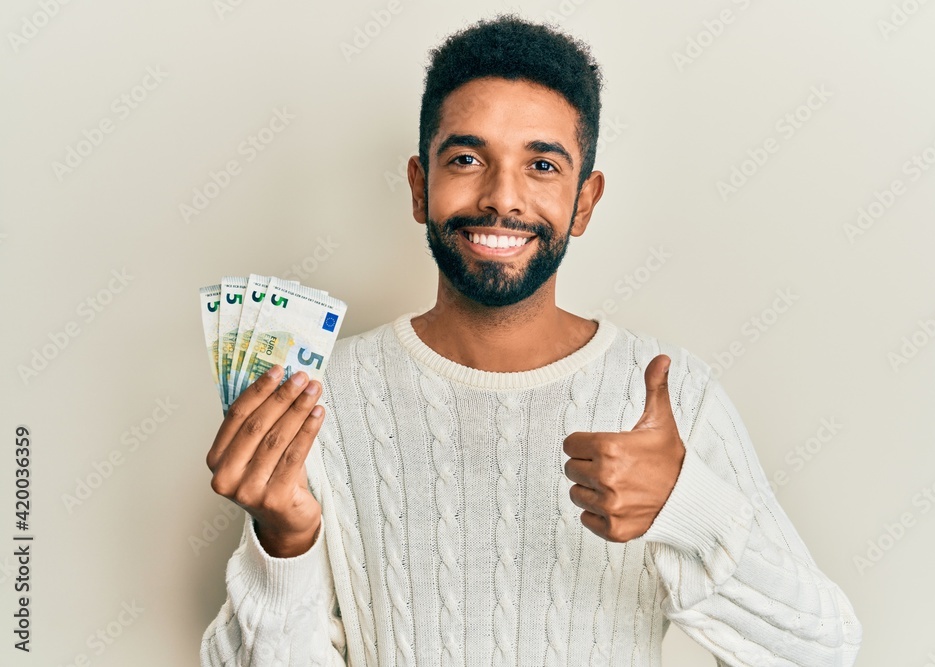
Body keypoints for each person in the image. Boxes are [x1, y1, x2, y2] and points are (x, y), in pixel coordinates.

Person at [200, 14, 862, 666]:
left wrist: (686, 506)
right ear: (418, 185)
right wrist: (283, 541)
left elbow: (823, 652)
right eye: (466, 158)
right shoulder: (318, 398)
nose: (501, 198)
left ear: (584, 202)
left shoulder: (672, 395)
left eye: (542, 164)